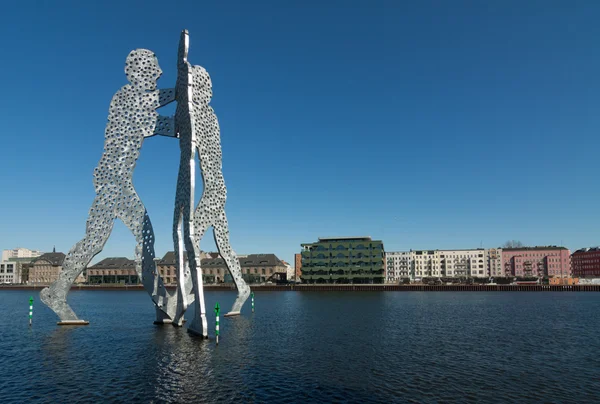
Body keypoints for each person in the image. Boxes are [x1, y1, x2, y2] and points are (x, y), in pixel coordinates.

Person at [41, 49, 182, 323]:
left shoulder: (138, 102)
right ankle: (162, 302)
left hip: (119, 183)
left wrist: (183, 110)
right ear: (139, 70)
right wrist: (179, 92)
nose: (159, 72)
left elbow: (167, 123)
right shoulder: (126, 98)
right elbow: (159, 121)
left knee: (117, 240)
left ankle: (162, 304)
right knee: (121, 240)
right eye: (154, 66)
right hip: (112, 182)